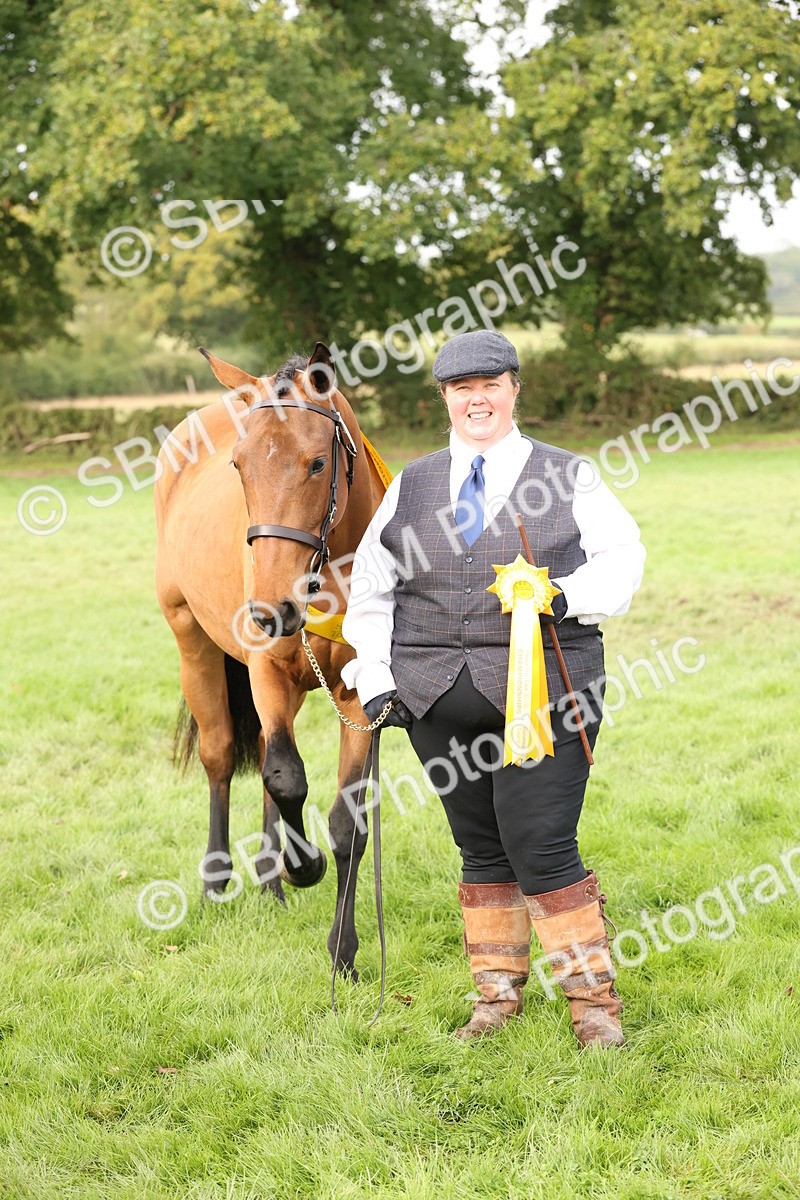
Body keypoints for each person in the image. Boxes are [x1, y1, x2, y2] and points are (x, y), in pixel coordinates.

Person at [341, 330, 645, 1048]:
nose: (477, 399)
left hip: (548, 695)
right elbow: (372, 590)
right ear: (445, 398)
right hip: (434, 699)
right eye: (461, 389)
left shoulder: (569, 475)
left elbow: (624, 559)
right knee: (480, 849)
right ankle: (495, 1001)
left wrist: (558, 595)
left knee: (540, 844)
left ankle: (592, 1006)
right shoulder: (411, 486)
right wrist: (376, 677)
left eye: (491, 385)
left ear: (514, 391)